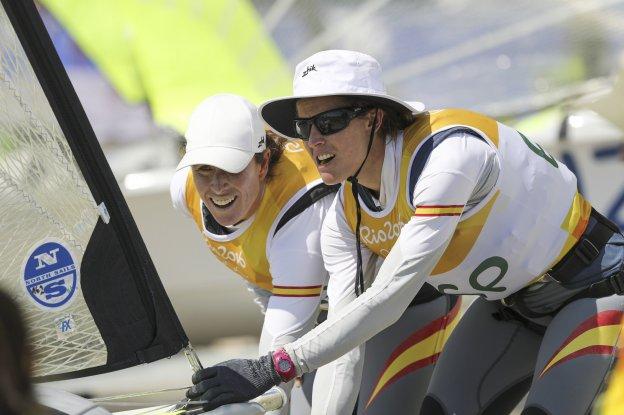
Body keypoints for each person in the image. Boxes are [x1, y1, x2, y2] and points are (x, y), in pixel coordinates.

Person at [186, 50, 624, 415]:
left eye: (330, 122)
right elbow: (347, 341)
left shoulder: (447, 157)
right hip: (509, 305)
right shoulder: (344, 215)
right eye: (304, 128)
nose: (313, 141)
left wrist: (271, 367)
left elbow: (391, 297)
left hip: (590, 289)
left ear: (374, 118)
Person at [171, 93, 341, 414]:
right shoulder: (184, 190)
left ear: (262, 164)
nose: (217, 186)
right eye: (205, 169)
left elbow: (270, 374)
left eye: (232, 170)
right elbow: (261, 277)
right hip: (319, 314)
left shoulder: (299, 214)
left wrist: (254, 393)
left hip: (387, 313)